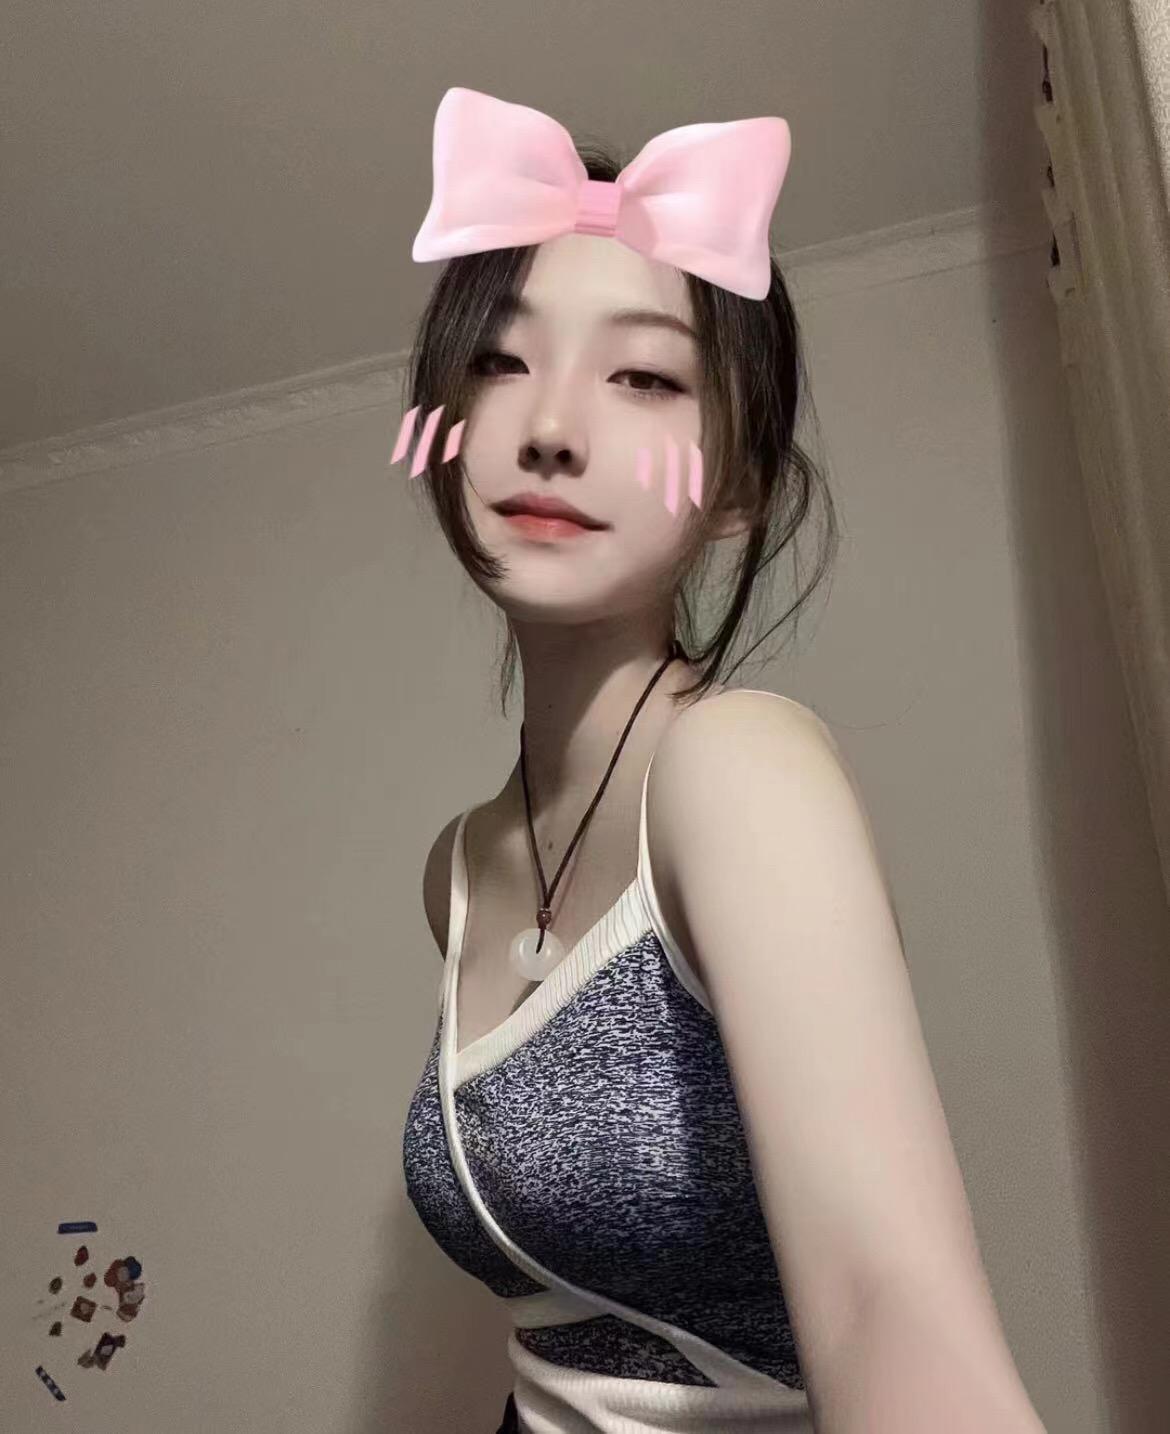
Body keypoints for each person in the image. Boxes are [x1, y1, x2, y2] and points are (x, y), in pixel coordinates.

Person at [400, 88, 1047, 1434]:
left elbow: (884, 1303)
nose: (551, 425)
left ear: (738, 486)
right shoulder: (454, 870)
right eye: (502, 362)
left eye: (643, 376)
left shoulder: (736, 767)